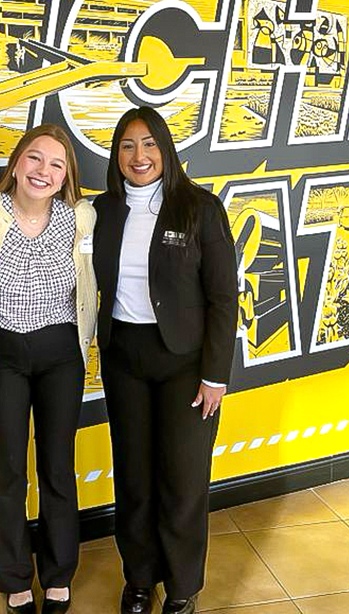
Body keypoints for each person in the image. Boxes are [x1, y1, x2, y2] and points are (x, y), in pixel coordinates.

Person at [93, 107, 239, 614]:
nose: (139, 156)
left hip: (184, 363)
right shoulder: (103, 211)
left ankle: (181, 588)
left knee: (182, 478)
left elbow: (224, 298)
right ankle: (139, 580)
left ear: (166, 149)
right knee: (133, 478)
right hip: (124, 358)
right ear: (116, 154)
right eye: (128, 145)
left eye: (150, 144)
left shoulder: (198, 207)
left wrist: (215, 375)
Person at [0, 124, 97, 614]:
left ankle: (59, 576)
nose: (44, 171)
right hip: (3, 358)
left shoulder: (81, 218)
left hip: (62, 355)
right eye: (35, 159)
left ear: (66, 177)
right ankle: (15, 579)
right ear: (16, 164)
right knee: (8, 470)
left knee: (58, 467)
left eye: (56, 165)